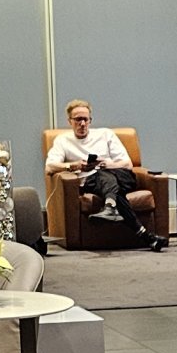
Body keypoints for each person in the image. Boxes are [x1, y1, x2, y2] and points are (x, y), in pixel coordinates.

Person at [46, 99, 161, 248]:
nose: (82, 123)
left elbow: (127, 164)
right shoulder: (63, 140)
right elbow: (50, 167)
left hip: (121, 176)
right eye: (78, 119)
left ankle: (110, 208)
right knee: (112, 189)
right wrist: (74, 166)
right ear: (70, 121)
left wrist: (107, 164)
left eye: (85, 119)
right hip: (91, 181)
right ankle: (145, 235)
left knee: (104, 174)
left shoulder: (105, 134)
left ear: (90, 120)